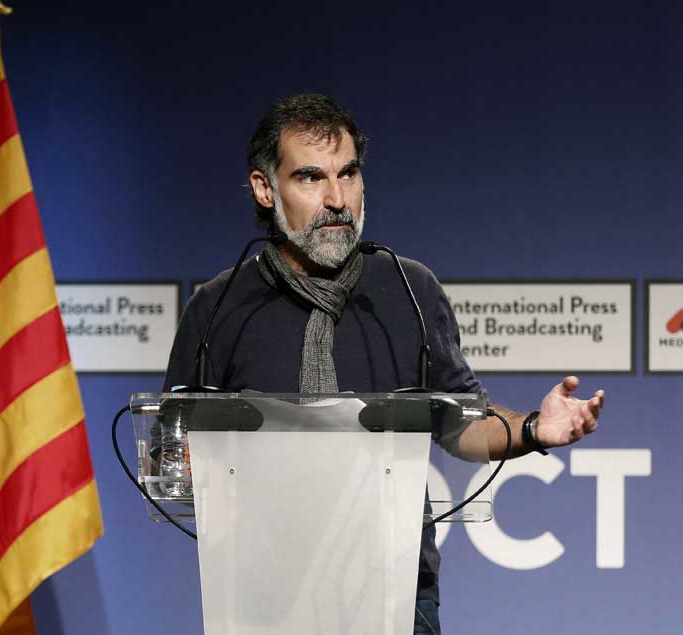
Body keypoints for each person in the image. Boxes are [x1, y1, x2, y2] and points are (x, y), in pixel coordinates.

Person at [163, 93, 605, 634]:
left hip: (396, 591)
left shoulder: (408, 289)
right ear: (264, 189)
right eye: (309, 178)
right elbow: (171, 461)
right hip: (259, 592)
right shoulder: (218, 306)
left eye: (348, 174)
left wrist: (535, 428)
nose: (336, 199)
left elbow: (462, 428)